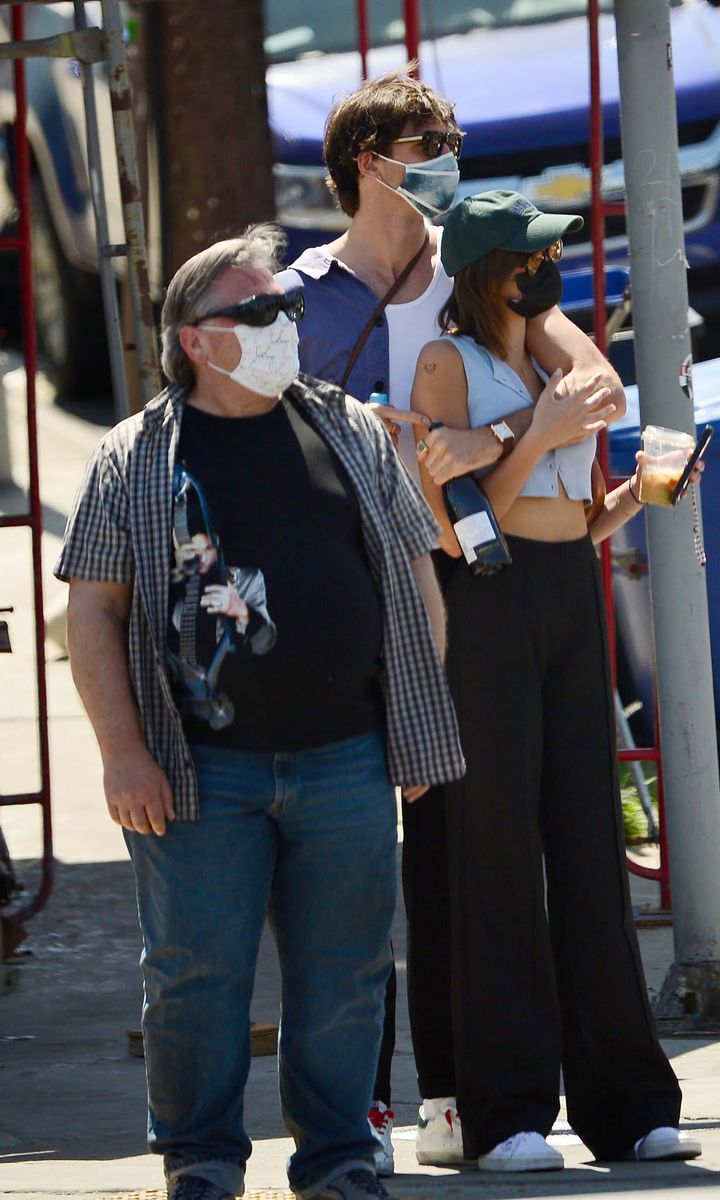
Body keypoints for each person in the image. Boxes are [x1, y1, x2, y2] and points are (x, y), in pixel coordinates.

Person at [54, 226, 465, 1200]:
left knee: (347, 976)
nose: (289, 324)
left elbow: (415, 579)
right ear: (196, 339)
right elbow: (94, 613)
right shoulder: (135, 458)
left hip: (346, 759)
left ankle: (336, 1160)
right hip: (198, 770)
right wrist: (122, 754)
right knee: (197, 983)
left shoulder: (351, 431)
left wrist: (411, 720)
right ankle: (199, 1159)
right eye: (263, 311)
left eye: (291, 307)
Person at [276, 65, 626, 1173]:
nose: (448, 157)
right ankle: (353, 1113)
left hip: (456, 575)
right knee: (343, 852)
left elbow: (594, 384)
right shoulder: (300, 289)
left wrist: (482, 437)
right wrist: (395, 434)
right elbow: (270, 429)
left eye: (449, 139)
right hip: (342, 581)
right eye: (428, 142)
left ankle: (454, 1098)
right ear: (369, 163)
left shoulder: (478, 257)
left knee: (455, 833)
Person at [411, 188, 703, 1173]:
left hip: (568, 592)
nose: (552, 270)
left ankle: (627, 1101)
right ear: (488, 267)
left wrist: (638, 493)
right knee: (495, 857)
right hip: (487, 604)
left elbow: (596, 433)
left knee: (592, 844)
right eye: (534, 257)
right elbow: (458, 522)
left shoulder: (550, 345)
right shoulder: (446, 362)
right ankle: (506, 1114)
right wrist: (526, 433)